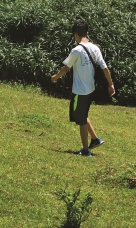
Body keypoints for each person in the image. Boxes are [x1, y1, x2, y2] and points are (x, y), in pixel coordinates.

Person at [49, 20, 114, 156]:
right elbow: (105, 68)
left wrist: (55, 77)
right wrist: (111, 84)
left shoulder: (76, 50)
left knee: (81, 119)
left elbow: (67, 67)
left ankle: (86, 150)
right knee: (82, 114)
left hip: (80, 90)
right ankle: (95, 139)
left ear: (75, 35)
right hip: (90, 88)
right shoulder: (95, 48)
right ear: (87, 33)